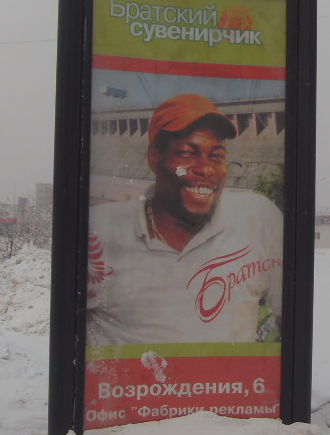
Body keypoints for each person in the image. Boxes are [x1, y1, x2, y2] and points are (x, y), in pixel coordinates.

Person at [87, 93, 283, 345]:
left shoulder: (258, 218)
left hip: (226, 385)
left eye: (217, 156)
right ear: (155, 157)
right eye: (187, 154)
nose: (206, 169)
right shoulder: (101, 230)